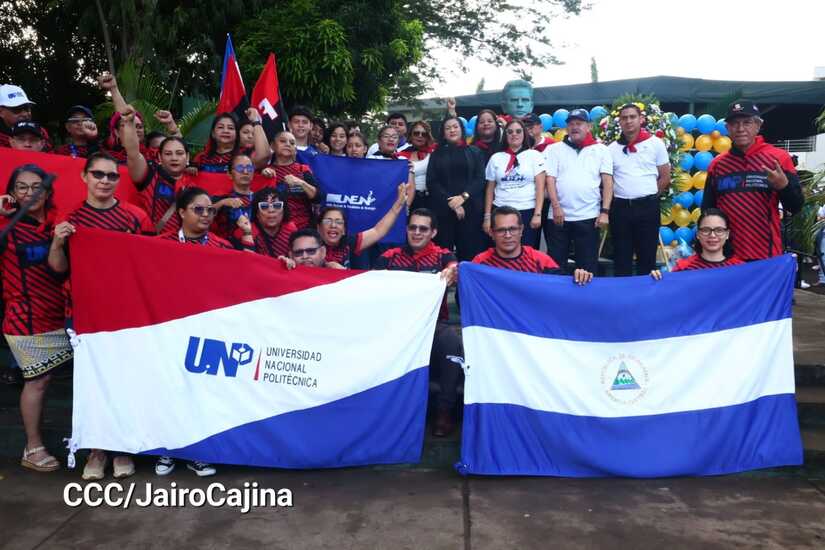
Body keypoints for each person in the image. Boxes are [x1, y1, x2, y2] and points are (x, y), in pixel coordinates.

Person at [48, 152, 155, 481]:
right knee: (91, 384)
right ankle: (96, 450)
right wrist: (57, 242)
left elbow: (153, 265)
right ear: (84, 177)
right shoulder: (70, 219)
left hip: (126, 314)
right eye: (98, 174)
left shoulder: (136, 217)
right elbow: (58, 269)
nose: (105, 181)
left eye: (111, 176)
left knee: (125, 382)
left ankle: (122, 448)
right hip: (84, 314)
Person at [0, 164, 71, 472]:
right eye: (22, 187)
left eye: (37, 186)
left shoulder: (59, 224)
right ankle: (33, 447)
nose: (31, 193)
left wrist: (58, 241)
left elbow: (60, 270)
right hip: (23, 317)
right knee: (38, 381)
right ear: (12, 194)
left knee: (46, 381)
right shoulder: (6, 226)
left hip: (60, 314)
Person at [373, 208, 462, 436]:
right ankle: (385, 413)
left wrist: (452, 272)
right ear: (406, 229)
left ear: (433, 232)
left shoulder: (443, 256)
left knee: (452, 341)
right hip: (396, 329)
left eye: (423, 228)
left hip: (434, 327)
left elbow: (455, 267)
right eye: (413, 227)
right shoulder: (389, 257)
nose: (417, 232)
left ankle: (444, 412)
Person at [702, 100, 804, 261]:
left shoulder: (779, 158)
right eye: (734, 123)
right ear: (727, 128)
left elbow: (796, 206)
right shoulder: (717, 165)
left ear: (758, 126)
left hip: (766, 255)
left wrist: (784, 186)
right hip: (726, 256)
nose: (741, 129)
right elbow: (707, 210)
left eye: (747, 122)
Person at [544, 108, 613, 274]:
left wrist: (605, 212)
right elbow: (550, 179)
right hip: (558, 217)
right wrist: (556, 207)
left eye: (579, 123)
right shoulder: (554, 149)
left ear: (588, 126)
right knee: (555, 266)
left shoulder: (601, 150)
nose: (575, 127)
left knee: (588, 266)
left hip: (589, 216)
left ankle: (586, 299)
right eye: (571, 124)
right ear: (566, 127)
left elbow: (608, 182)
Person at [608, 103, 671, 276]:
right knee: (621, 257)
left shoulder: (656, 144)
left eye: (632, 117)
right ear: (619, 122)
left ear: (641, 119)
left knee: (647, 256)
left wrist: (648, 196)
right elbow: (608, 181)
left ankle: (645, 298)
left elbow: (665, 176)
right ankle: (622, 299)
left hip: (647, 208)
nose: (628, 121)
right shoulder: (611, 149)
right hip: (620, 209)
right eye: (624, 118)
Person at [473, 206, 593, 284]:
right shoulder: (480, 262)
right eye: (501, 230)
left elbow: (562, 285)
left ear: (521, 230)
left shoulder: (539, 259)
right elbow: (463, 297)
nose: (508, 235)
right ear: (491, 233)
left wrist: (578, 277)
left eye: (513, 229)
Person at [120, 106, 193, 233]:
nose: (174, 158)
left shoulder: (195, 183)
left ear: (187, 158)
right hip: (153, 244)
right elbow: (132, 152)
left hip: (184, 248)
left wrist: (171, 124)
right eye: (168, 154)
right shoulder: (150, 177)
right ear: (159, 157)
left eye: (179, 153)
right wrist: (129, 122)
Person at [426, 116, 487, 261]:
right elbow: (432, 182)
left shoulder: (475, 152)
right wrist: (452, 203)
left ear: (462, 129)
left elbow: (480, 179)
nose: (452, 130)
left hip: (471, 210)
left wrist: (463, 197)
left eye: (455, 126)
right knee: (444, 254)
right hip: (444, 210)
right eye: (448, 128)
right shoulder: (436, 154)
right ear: (443, 133)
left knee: (470, 253)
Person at [483, 118, 545, 248]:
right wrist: (487, 217)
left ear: (524, 134)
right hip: (500, 210)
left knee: (528, 253)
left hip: (527, 211)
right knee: (500, 251)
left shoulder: (534, 155)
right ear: (505, 135)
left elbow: (540, 188)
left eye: (518, 131)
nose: (514, 134)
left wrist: (537, 214)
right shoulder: (496, 158)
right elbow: (489, 190)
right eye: (510, 132)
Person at [316, 183, 409, 268]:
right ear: (319, 228)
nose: (333, 225)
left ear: (344, 230)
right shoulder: (309, 245)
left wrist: (399, 204)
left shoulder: (349, 243)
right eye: (328, 221)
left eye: (339, 222)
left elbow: (378, 231)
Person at [651, 208, 744, 278]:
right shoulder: (684, 268)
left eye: (719, 230)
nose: (712, 235)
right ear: (698, 234)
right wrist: (656, 281)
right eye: (706, 230)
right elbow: (669, 293)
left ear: (727, 234)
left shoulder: (740, 269)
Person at [262, 130, 320, 229]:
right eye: (283, 141)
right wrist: (263, 178)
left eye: (292, 143)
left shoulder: (303, 169)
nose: (287, 144)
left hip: (303, 228)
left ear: (295, 150)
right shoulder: (266, 172)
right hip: (274, 230)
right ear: (272, 146)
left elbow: (318, 197)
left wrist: (301, 183)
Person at [192, 110, 270, 173]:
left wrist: (255, 121)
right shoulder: (202, 158)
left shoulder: (245, 156)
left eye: (231, 128)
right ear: (213, 134)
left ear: (237, 134)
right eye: (220, 127)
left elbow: (263, 157)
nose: (226, 131)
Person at [234, 185, 297, 261]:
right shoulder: (243, 233)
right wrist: (247, 233)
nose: (271, 210)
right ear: (257, 213)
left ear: (284, 210)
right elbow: (245, 264)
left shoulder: (292, 230)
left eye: (277, 205)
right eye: (264, 206)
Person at [211, 154, 258, 238]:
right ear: (229, 174)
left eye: (249, 168)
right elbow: (205, 214)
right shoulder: (221, 197)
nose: (245, 172)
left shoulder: (259, 198)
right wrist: (222, 203)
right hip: (226, 247)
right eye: (240, 168)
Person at [398, 121, 436, 211]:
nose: (420, 136)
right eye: (416, 133)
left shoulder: (435, 152)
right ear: (410, 135)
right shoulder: (401, 155)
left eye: (424, 134)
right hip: (409, 199)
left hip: (431, 199)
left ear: (428, 136)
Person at [0, 84, 51, 149]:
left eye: (27, 108)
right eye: (17, 109)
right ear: (1, 112)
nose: (24, 114)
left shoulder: (40, 132)